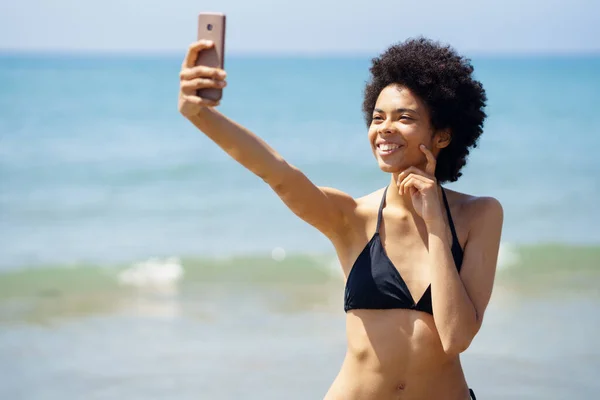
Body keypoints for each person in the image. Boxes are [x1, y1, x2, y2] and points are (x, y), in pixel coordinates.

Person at [178, 37, 503, 400]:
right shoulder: (352, 217)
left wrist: (437, 224)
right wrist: (201, 115)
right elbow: (277, 173)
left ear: (442, 136)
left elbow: (457, 337)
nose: (385, 128)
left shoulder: (480, 215)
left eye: (404, 117)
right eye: (378, 117)